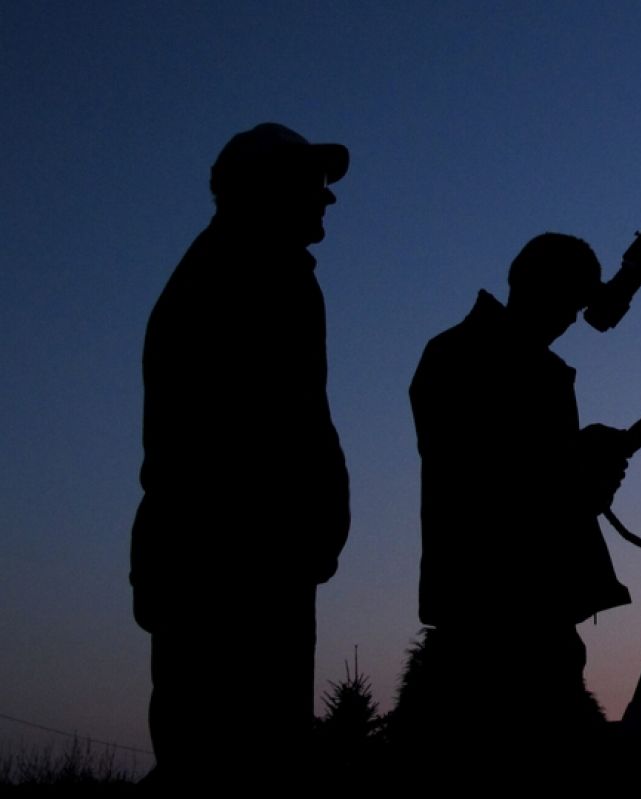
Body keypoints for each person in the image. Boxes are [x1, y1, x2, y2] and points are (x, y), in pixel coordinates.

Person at [130, 123, 351, 787]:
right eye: (312, 185)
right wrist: (299, 524)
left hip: (251, 562)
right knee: (227, 764)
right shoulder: (242, 276)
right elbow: (251, 436)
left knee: (242, 758)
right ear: (267, 188)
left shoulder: (258, 271)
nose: (326, 200)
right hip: (231, 566)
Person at [406, 233, 632, 781]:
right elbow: (507, 494)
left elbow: (520, 475)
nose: (573, 319)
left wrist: (578, 465)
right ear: (537, 287)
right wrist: (588, 474)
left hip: (507, 614)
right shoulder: (490, 362)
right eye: (570, 302)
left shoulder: (479, 355)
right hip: (503, 622)